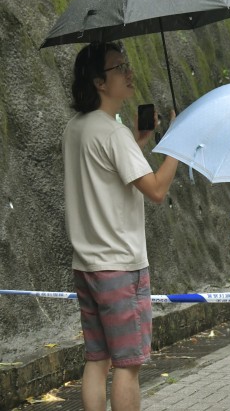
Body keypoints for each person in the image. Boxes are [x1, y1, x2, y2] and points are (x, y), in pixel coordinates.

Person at [63, 42, 180, 411]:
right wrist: (177, 144)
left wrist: (137, 142)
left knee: (96, 360)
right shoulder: (114, 135)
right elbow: (157, 190)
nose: (129, 73)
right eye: (119, 68)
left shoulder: (76, 128)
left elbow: (109, 177)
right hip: (121, 267)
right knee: (127, 366)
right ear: (99, 82)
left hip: (87, 265)